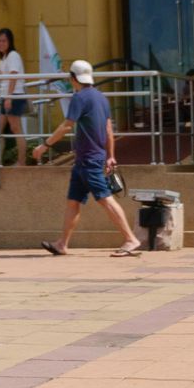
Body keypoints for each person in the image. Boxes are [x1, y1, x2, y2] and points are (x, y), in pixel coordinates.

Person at [32, 60, 142, 257]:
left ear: (73, 78)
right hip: (85, 160)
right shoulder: (101, 98)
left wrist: (44, 145)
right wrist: (111, 156)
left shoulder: (79, 98)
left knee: (106, 199)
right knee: (73, 202)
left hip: (89, 160)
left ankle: (130, 239)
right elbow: (109, 129)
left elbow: (66, 126)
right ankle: (62, 244)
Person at [0, 26, 28, 168]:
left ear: (10, 42)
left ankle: (21, 162)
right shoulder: (3, 58)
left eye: (4, 40)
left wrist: (9, 97)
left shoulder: (13, 56)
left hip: (14, 96)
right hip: (5, 97)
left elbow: (13, 76)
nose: (0, 43)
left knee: (16, 128)